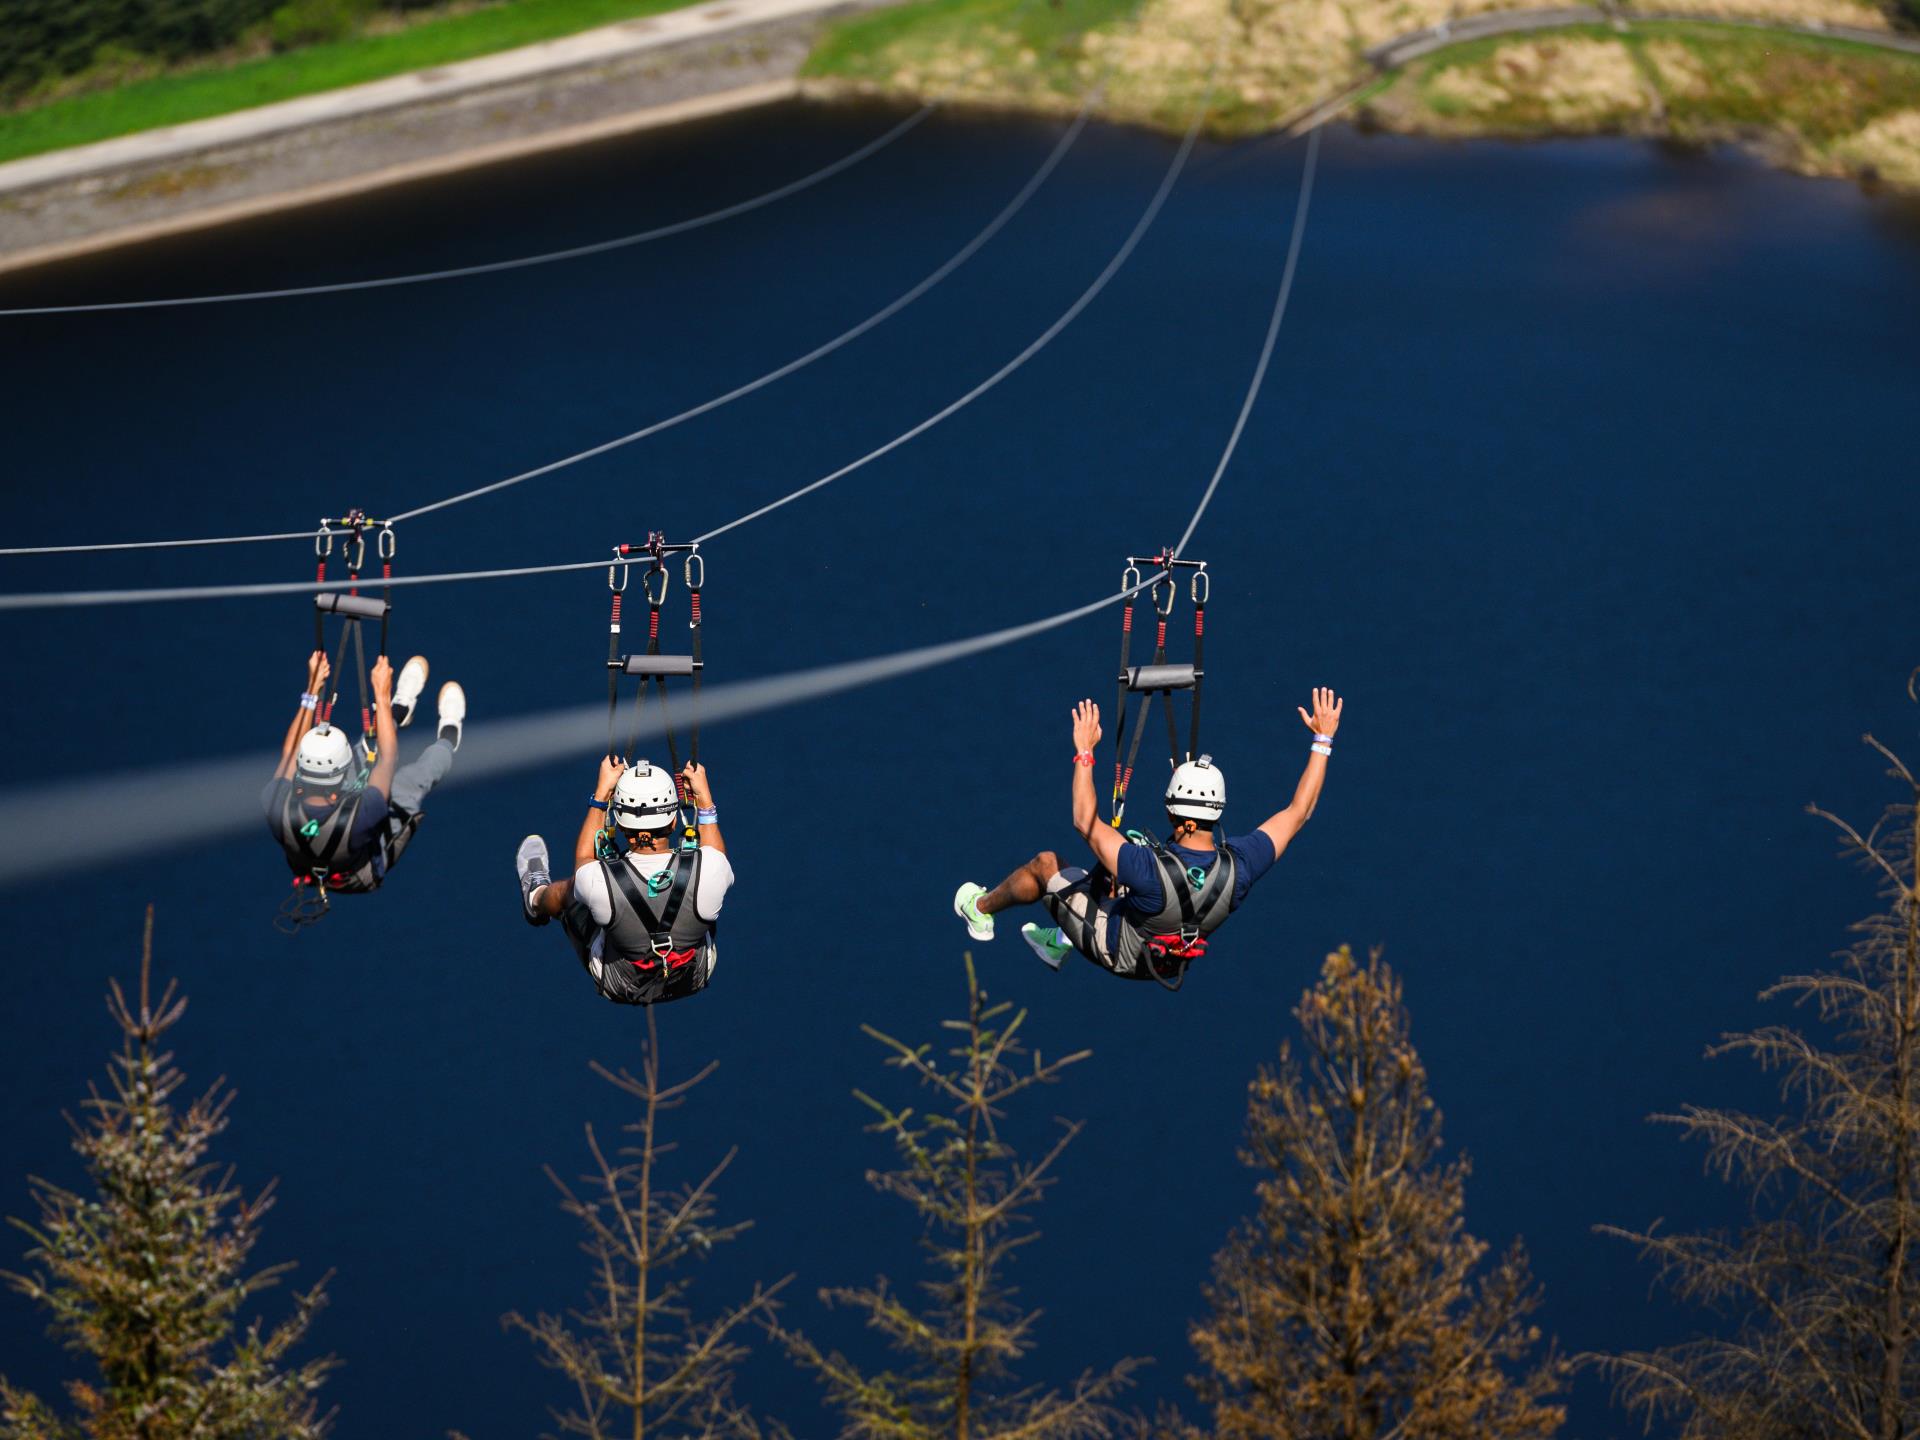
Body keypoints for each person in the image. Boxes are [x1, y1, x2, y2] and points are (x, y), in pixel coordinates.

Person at [952, 687, 1344, 981]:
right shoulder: (1241, 865)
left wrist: (1085, 751)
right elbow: (1299, 812)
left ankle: (980, 910)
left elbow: (1084, 820)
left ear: (1181, 817)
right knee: (1127, 854)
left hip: (1120, 951)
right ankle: (1060, 938)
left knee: (1045, 865)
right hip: (1166, 960)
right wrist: (1322, 740)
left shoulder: (1145, 870)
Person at [514, 756, 733, 1006]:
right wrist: (704, 800)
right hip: (691, 975)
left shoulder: (598, 879)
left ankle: (535, 899)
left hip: (621, 983)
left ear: (619, 823)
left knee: (572, 891)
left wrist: (601, 794)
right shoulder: (711, 868)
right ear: (673, 822)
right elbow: (716, 854)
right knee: (703, 892)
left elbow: (586, 858)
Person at [265, 648, 466, 892]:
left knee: (367, 747)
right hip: (362, 865)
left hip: (325, 846)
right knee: (413, 779)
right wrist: (381, 694)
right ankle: (448, 738)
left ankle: (399, 710)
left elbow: (289, 752)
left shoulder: (276, 802)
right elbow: (388, 759)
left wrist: (312, 688)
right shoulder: (366, 812)